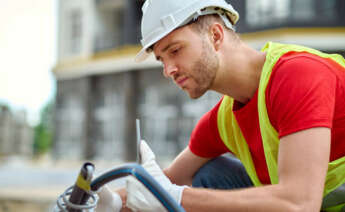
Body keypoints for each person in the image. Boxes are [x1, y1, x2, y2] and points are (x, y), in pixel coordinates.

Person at [97, 0, 345, 211]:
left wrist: (178, 196)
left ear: (215, 36)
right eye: (162, 59)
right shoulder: (223, 120)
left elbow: (300, 203)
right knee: (210, 174)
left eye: (175, 50)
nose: (167, 70)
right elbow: (161, 185)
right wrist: (107, 202)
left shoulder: (298, 76)